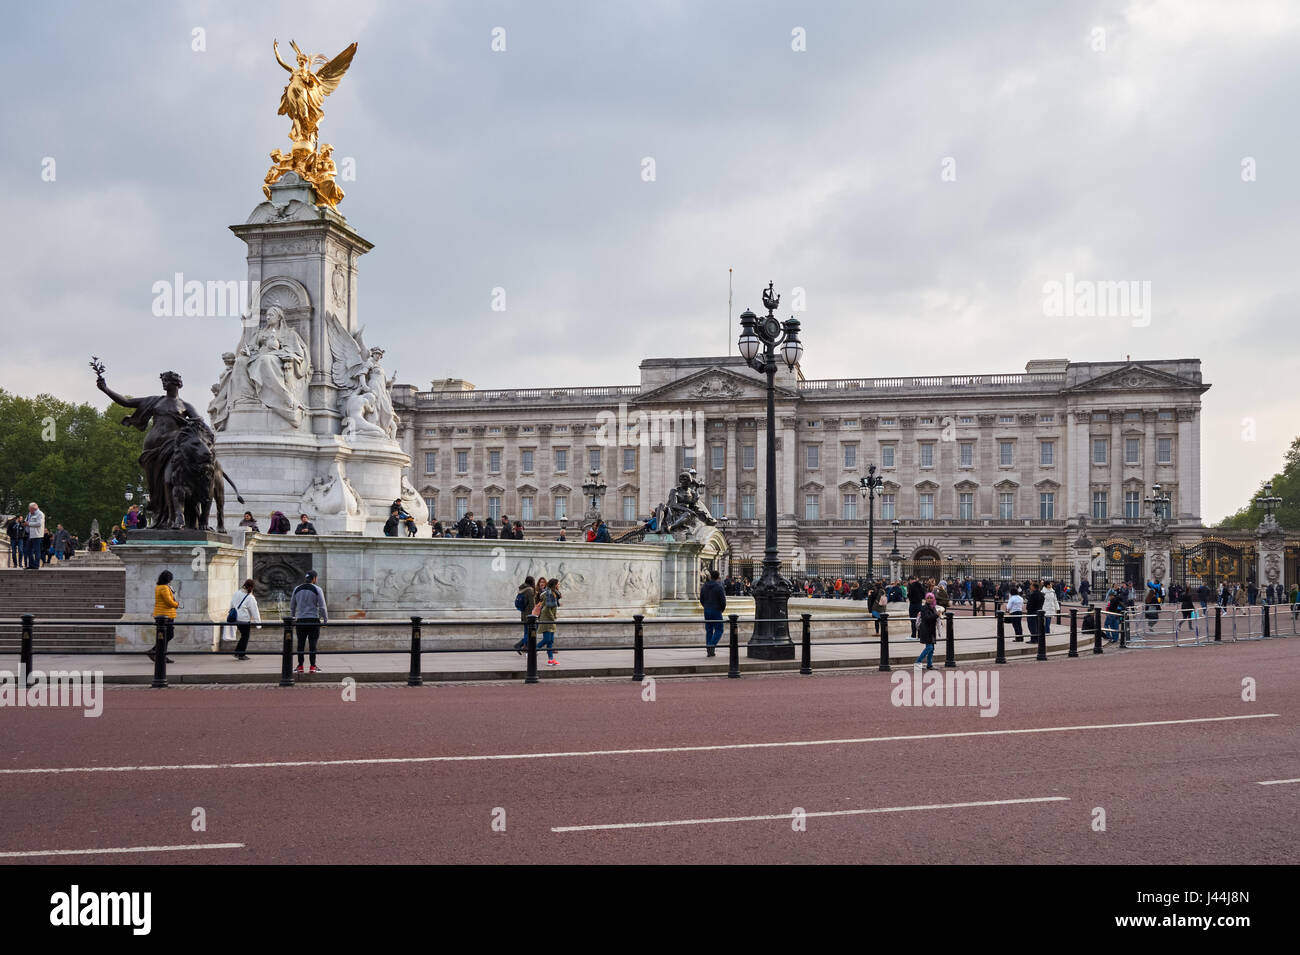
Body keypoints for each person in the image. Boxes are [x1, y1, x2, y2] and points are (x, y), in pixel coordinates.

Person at [289, 570, 327, 673]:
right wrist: (325, 620)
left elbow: (292, 606)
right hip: (313, 620)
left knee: (300, 644)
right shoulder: (317, 589)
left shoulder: (297, 589)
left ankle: (300, 666)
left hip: (300, 620)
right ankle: (313, 666)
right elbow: (322, 607)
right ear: (314, 578)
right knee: (312, 644)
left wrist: (292, 618)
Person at [227, 578, 262, 660]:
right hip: (244, 620)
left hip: (236, 619)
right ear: (252, 587)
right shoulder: (250, 598)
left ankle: (237, 652)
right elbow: (255, 611)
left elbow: (231, 604)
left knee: (243, 636)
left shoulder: (236, 593)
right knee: (245, 636)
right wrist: (258, 624)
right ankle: (241, 654)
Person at [150, 570, 179, 664]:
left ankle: (161, 655)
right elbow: (169, 602)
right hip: (165, 615)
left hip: (163, 614)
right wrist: (176, 604)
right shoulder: (164, 588)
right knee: (168, 635)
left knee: (164, 636)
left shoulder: (160, 587)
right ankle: (156, 652)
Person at [700, 569, 726, 657]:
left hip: (707, 610)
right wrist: (721, 609)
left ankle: (709, 649)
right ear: (718, 577)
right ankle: (711, 645)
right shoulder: (719, 586)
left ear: (710, 576)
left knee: (709, 630)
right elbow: (723, 601)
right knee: (719, 629)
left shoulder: (704, 586)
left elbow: (701, 599)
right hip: (716, 610)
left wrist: (706, 606)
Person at [536, 577, 561, 665]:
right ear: (554, 585)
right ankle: (533, 650)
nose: (559, 585)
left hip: (551, 619)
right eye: (558, 584)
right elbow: (546, 609)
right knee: (547, 639)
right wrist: (552, 618)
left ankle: (551, 659)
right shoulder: (548, 594)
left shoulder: (554, 593)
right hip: (546, 619)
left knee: (550, 640)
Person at [914, 593, 939, 670]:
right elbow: (926, 618)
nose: (929, 599)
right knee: (929, 647)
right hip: (926, 629)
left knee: (932, 648)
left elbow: (934, 617)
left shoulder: (933, 607)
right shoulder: (924, 607)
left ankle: (929, 664)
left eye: (931, 598)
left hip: (931, 630)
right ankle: (918, 662)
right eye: (927, 598)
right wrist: (936, 615)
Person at [512, 576, 537, 653]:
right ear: (532, 582)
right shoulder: (529, 590)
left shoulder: (522, 589)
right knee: (531, 631)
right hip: (530, 615)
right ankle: (519, 644)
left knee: (526, 631)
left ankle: (526, 648)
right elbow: (532, 604)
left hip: (524, 614)